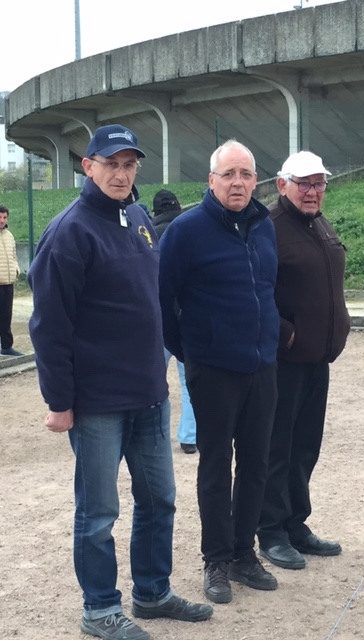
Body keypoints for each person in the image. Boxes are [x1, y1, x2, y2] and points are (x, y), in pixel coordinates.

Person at [28, 124, 213, 640]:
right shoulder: (69, 232)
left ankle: (152, 592)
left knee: (159, 500)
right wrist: (59, 401)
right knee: (99, 512)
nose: (121, 174)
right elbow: (49, 326)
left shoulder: (138, 218)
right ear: (88, 166)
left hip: (148, 394)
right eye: (111, 164)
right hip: (97, 402)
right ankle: (100, 609)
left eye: (129, 165)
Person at [159, 140, 279, 604]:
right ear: (211, 181)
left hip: (261, 366)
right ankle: (216, 559)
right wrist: (191, 351)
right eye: (228, 174)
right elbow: (163, 299)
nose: (237, 183)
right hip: (213, 369)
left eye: (245, 174)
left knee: (256, 463)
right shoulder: (186, 231)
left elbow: (267, 289)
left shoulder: (264, 227)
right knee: (215, 466)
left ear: (255, 180)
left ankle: (244, 553)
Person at [257, 151, 351, 570]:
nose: (312, 191)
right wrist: (286, 332)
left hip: (318, 358)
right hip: (284, 360)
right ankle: (271, 531)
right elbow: (253, 290)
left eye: (319, 183)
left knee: (305, 448)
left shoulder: (319, 223)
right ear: (283, 185)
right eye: (304, 183)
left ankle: (296, 523)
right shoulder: (268, 227)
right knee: (277, 448)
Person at [152, 189, 197, 454]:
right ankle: (189, 436)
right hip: (185, 315)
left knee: (152, 381)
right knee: (189, 380)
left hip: (155, 318)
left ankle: (152, 437)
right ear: (178, 206)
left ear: (154, 211)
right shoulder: (188, 231)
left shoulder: (145, 234)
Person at [0, 205, 23, 357]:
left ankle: (6, 347)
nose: (2, 220)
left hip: (8, 283)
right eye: (0, 217)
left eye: (4, 217)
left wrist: (16, 270)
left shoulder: (9, 236)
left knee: (6, 316)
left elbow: (14, 256)